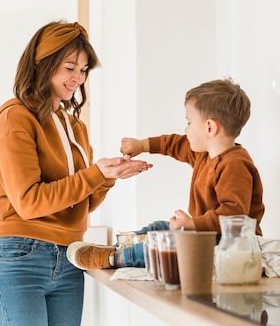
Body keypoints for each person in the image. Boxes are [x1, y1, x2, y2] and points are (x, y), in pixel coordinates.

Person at [0, 21, 152, 326]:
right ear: (41, 64)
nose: (78, 77)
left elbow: (79, 204)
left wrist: (107, 179)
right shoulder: (15, 116)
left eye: (84, 69)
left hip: (72, 254)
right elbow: (30, 202)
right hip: (22, 255)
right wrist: (95, 174)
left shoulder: (75, 127)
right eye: (69, 67)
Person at [70, 77, 265, 268]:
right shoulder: (204, 155)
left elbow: (234, 215)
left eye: (189, 122)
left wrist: (192, 224)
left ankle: (117, 259)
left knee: (169, 242)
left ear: (209, 127)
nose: (185, 129)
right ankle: (113, 250)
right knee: (157, 228)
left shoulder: (235, 165)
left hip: (230, 244)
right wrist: (143, 145)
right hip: (205, 235)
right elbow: (175, 144)